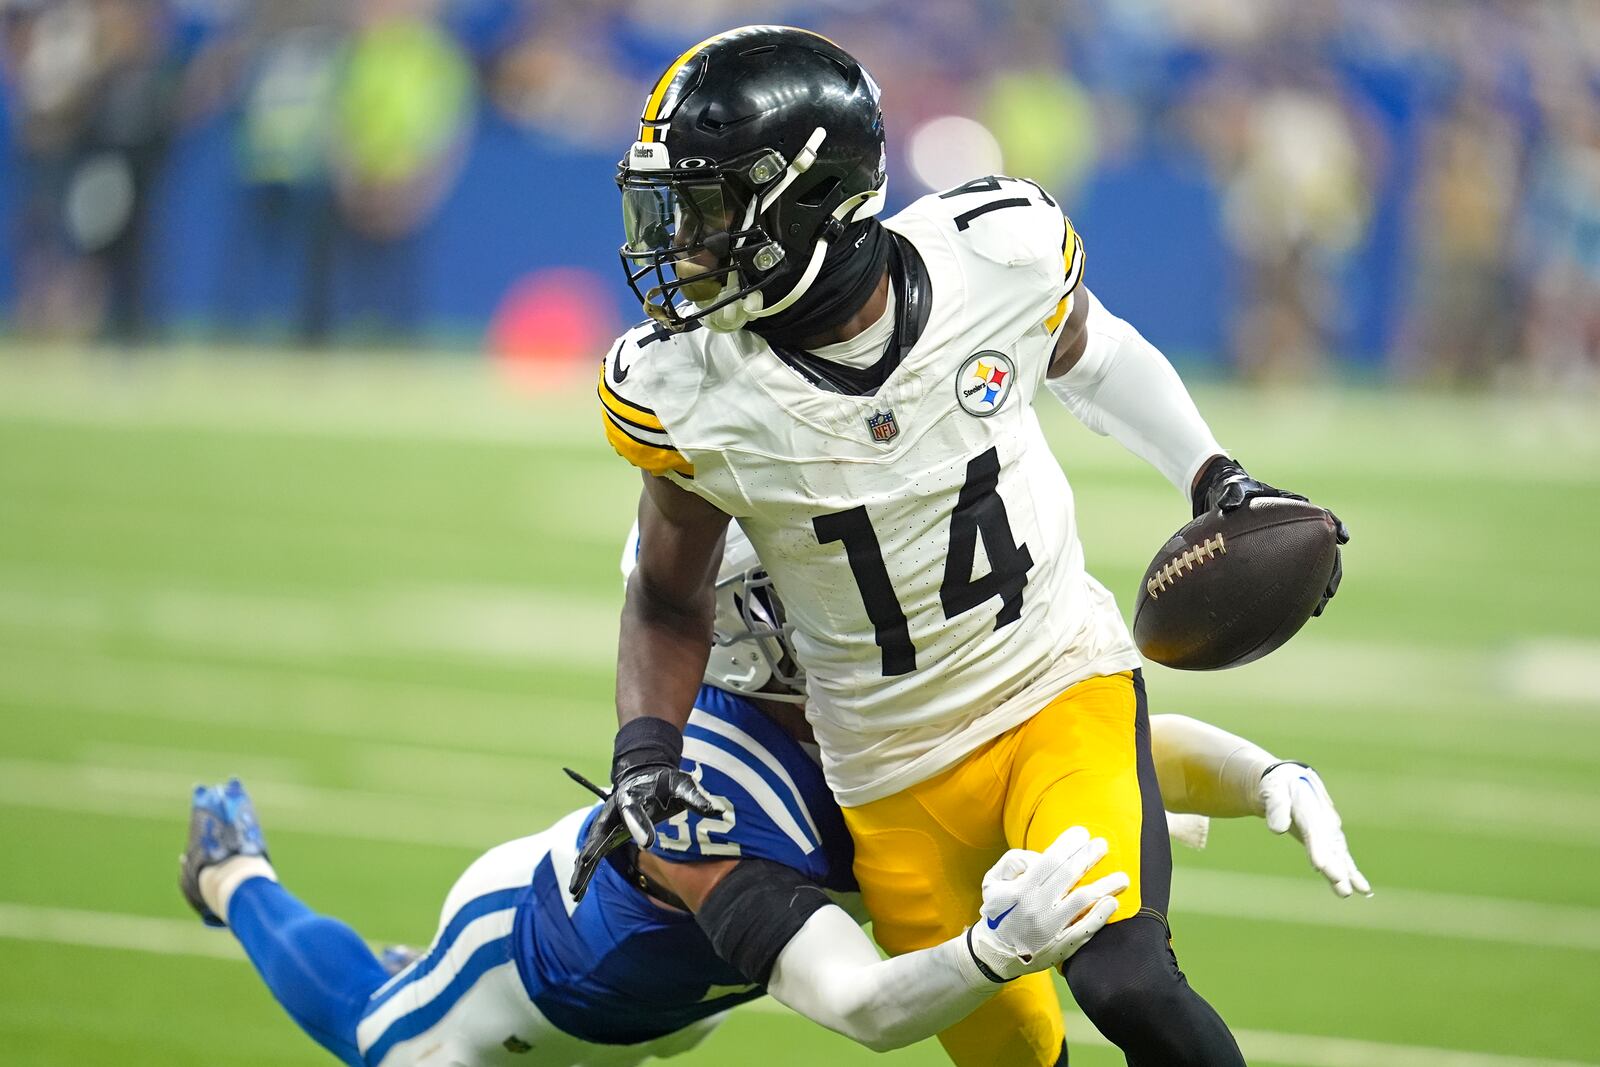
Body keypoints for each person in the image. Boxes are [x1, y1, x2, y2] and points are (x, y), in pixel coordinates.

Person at [585, 24, 1351, 1067]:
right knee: (1015, 1053)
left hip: (1054, 686)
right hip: (886, 771)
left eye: (711, 210)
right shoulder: (688, 389)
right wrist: (645, 752)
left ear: (808, 201)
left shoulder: (994, 254)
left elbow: (1095, 349)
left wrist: (1215, 475)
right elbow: (668, 597)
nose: (683, 245)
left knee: (1127, 980)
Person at [177, 530, 1367, 1067]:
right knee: (377, 1035)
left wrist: (1269, 776)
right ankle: (232, 875)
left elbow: (1091, 733)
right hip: (528, 985)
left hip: (684, 998)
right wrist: (991, 946)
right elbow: (856, 1001)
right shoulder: (706, 787)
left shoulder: (877, 707)